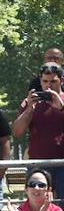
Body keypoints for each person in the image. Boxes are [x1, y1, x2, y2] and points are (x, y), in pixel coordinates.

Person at [12, 62, 64, 193]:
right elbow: (17, 132)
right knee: (38, 206)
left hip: (62, 164)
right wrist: (29, 110)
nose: (48, 85)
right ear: (40, 80)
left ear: (61, 80)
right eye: (45, 81)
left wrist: (61, 108)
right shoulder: (29, 102)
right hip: (38, 164)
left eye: (53, 81)